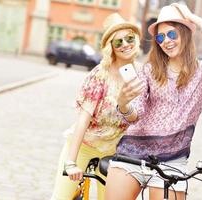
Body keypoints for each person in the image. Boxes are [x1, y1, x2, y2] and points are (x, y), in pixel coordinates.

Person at [105, 3, 202, 200]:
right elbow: (135, 114)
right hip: (131, 153)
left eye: (172, 34)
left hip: (173, 160)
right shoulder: (148, 71)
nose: (166, 41)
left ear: (185, 33)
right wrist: (123, 104)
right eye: (161, 37)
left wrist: (192, 18)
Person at [50, 13, 142, 200]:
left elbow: (138, 118)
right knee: (62, 197)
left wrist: (125, 105)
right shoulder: (101, 75)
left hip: (114, 153)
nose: (125, 44)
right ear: (111, 47)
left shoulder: (140, 75)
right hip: (85, 145)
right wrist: (71, 162)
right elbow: (83, 121)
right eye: (118, 42)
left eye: (129, 38)